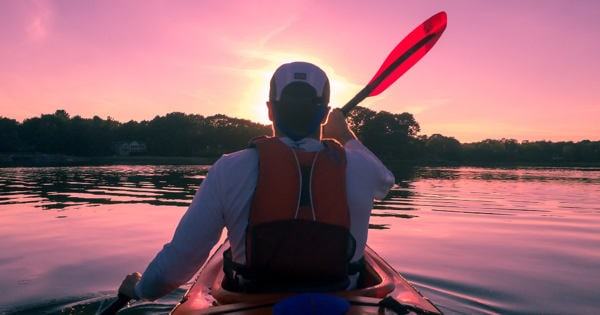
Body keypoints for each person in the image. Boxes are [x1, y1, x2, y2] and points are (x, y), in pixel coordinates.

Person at [118, 61, 394, 300]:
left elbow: (179, 263)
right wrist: (345, 134)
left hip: (251, 299)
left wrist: (140, 290)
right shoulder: (362, 167)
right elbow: (386, 181)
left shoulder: (229, 168)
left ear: (270, 110)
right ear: (324, 114)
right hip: (342, 301)